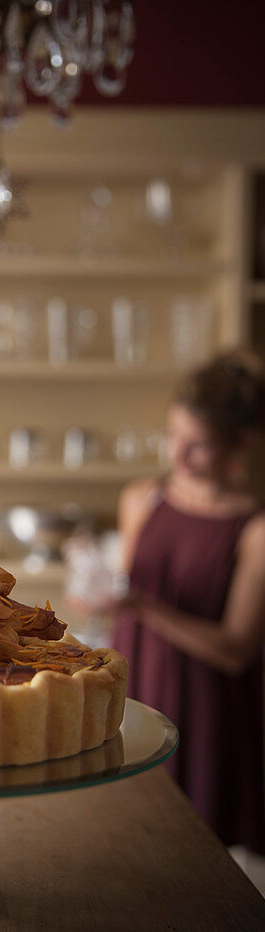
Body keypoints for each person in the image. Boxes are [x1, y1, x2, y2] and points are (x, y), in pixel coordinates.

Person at [112, 350, 265, 854]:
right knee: (126, 838)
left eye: (197, 446)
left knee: (197, 853)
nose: (178, 457)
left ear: (243, 442)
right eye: (174, 437)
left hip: (208, 711)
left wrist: (143, 605)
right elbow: (123, 598)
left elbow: (237, 650)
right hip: (138, 692)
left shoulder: (256, 530)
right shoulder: (142, 499)